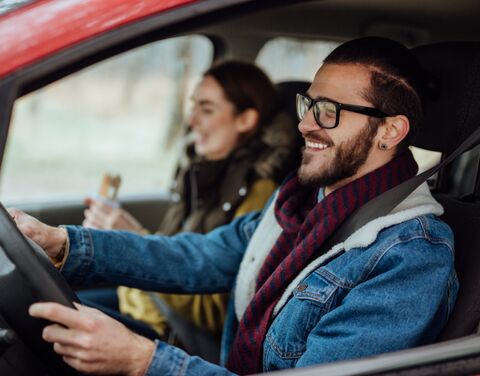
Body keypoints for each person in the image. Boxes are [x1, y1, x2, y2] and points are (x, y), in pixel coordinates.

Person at [10, 37, 458, 376]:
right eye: (308, 103)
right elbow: (199, 256)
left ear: (390, 131)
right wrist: (66, 243)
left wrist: (143, 360)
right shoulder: (301, 202)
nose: (304, 123)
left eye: (327, 110)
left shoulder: (410, 255)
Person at [77, 61, 297, 345]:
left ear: (245, 120)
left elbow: (214, 315)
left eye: (206, 110)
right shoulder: (197, 174)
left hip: (181, 338)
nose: (191, 121)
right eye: (193, 107)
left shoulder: (260, 194)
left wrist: (136, 238)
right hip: (151, 307)